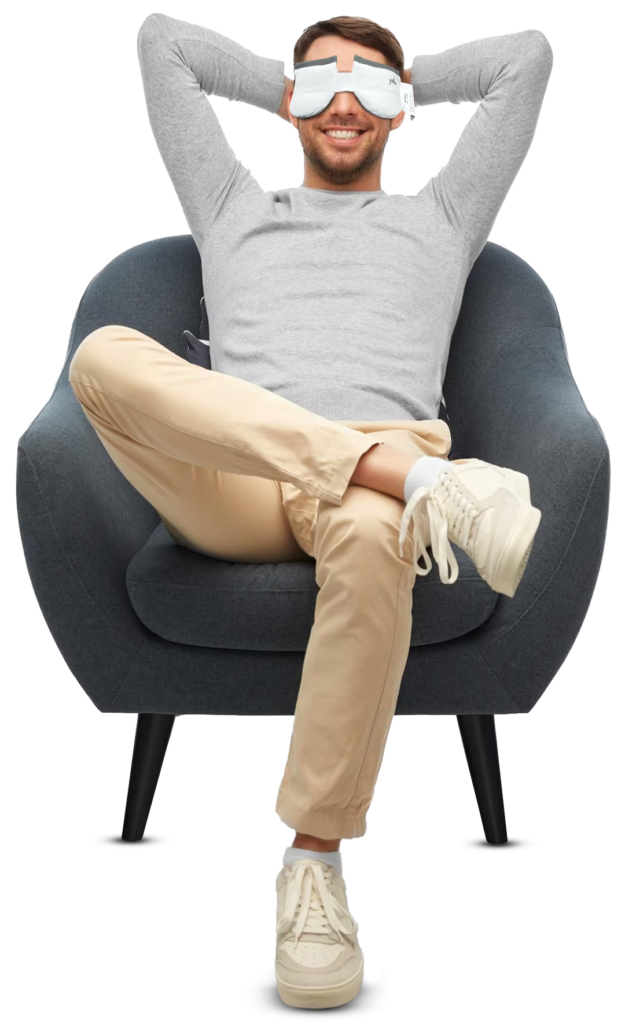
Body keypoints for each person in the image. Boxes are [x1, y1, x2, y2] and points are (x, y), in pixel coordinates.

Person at [69, 13, 553, 1009]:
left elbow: (528, 58)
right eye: (321, 86)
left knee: (373, 531)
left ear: (401, 111)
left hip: (369, 499)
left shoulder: (442, 217)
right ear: (289, 104)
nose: (343, 104)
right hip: (242, 478)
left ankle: (315, 866)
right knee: (104, 356)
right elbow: (160, 42)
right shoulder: (230, 205)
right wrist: (294, 79)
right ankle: (420, 485)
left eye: (369, 90)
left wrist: (399, 77)